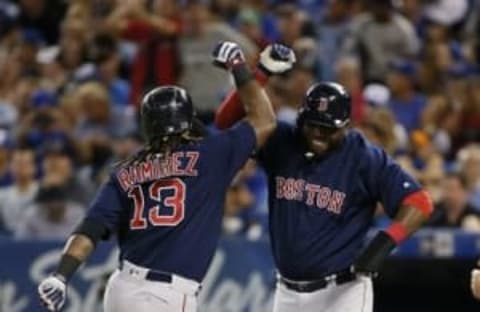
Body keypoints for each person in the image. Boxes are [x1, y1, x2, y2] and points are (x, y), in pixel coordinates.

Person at [37, 42, 295, 312]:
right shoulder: (210, 156)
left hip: (121, 287)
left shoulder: (125, 170)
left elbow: (89, 230)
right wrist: (242, 67)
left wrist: (61, 275)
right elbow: (264, 120)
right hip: (165, 294)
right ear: (187, 120)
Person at [215, 79, 434, 311]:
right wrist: (258, 74)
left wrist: (383, 243)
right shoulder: (283, 140)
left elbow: (419, 203)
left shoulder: (363, 157)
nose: (318, 133)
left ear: (346, 126)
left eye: (328, 128)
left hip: (342, 292)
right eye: (313, 124)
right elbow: (226, 122)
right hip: (287, 292)